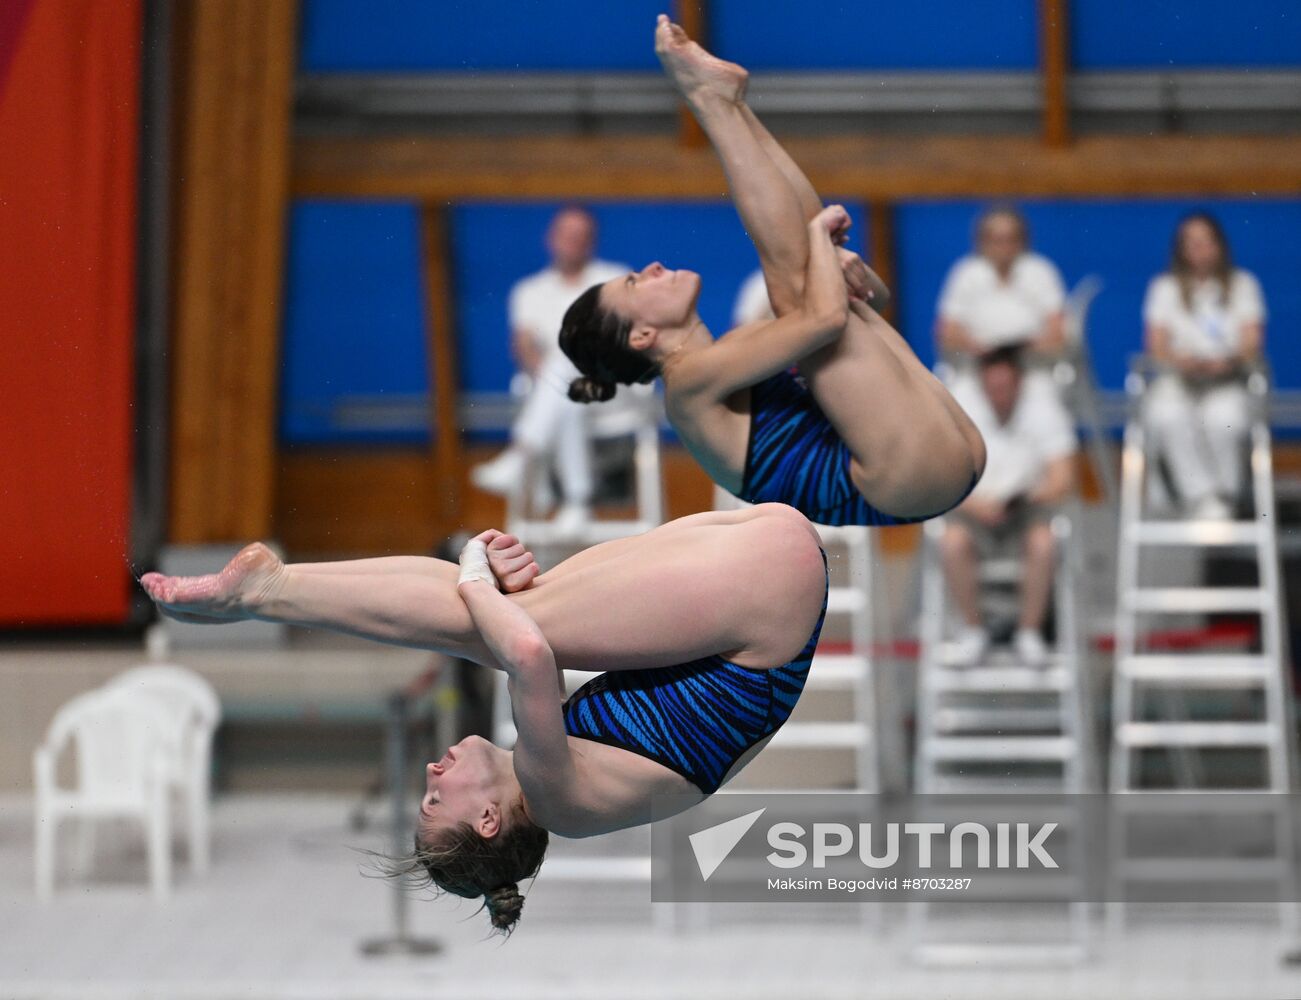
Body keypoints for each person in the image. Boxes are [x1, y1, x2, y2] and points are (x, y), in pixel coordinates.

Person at [139, 502, 829, 933]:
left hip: (769, 592)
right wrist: (474, 570)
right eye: (438, 797)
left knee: (481, 621)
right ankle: (270, 592)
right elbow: (528, 652)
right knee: (491, 619)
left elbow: (518, 648)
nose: (434, 770)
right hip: (765, 595)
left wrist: (488, 587)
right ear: (490, 820)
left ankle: (276, 589)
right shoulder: (550, 790)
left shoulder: (569, 794)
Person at [558, 17, 984, 528]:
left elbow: (868, 308)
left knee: (806, 276)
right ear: (644, 334)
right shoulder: (686, 385)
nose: (649, 268)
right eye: (633, 285)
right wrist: (820, 248)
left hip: (935, 457)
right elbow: (824, 321)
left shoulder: (743, 347)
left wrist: (849, 274)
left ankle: (727, 102)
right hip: (906, 476)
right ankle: (712, 102)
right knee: (800, 280)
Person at [470, 206, 630, 534]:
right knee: (565, 385)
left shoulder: (616, 279)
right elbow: (524, 345)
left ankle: (521, 454)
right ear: (551, 239)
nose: (572, 242)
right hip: (560, 394)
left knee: (568, 365)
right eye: (565, 234)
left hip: (610, 390)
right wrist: (552, 377)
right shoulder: (529, 290)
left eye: (579, 235)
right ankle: (577, 501)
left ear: (591, 241)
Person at [940, 346, 1077, 667]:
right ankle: (973, 630)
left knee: (1044, 541)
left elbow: (1063, 478)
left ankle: (1029, 632)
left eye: (1005, 388)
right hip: (972, 512)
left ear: (1020, 384)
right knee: (951, 542)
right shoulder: (959, 408)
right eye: (992, 388)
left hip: (1025, 512)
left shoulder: (1044, 409)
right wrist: (977, 507)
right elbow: (943, 477)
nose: (999, 396)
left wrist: (1027, 498)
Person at [1142, 212, 1266, 520]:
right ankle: (1197, 495)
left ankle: (1225, 494)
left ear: (1219, 245)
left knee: (1223, 419)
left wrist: (1227, 361)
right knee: (1165, 414)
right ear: (1180, 248)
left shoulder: (1243, 285)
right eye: (1191, 242)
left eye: (1205, 241)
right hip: (1180, 381)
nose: (1199, 249)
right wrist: (1179, 360)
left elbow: (1252, 342)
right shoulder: (1164, 288)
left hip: (1227, 381)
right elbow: (1156, 346)